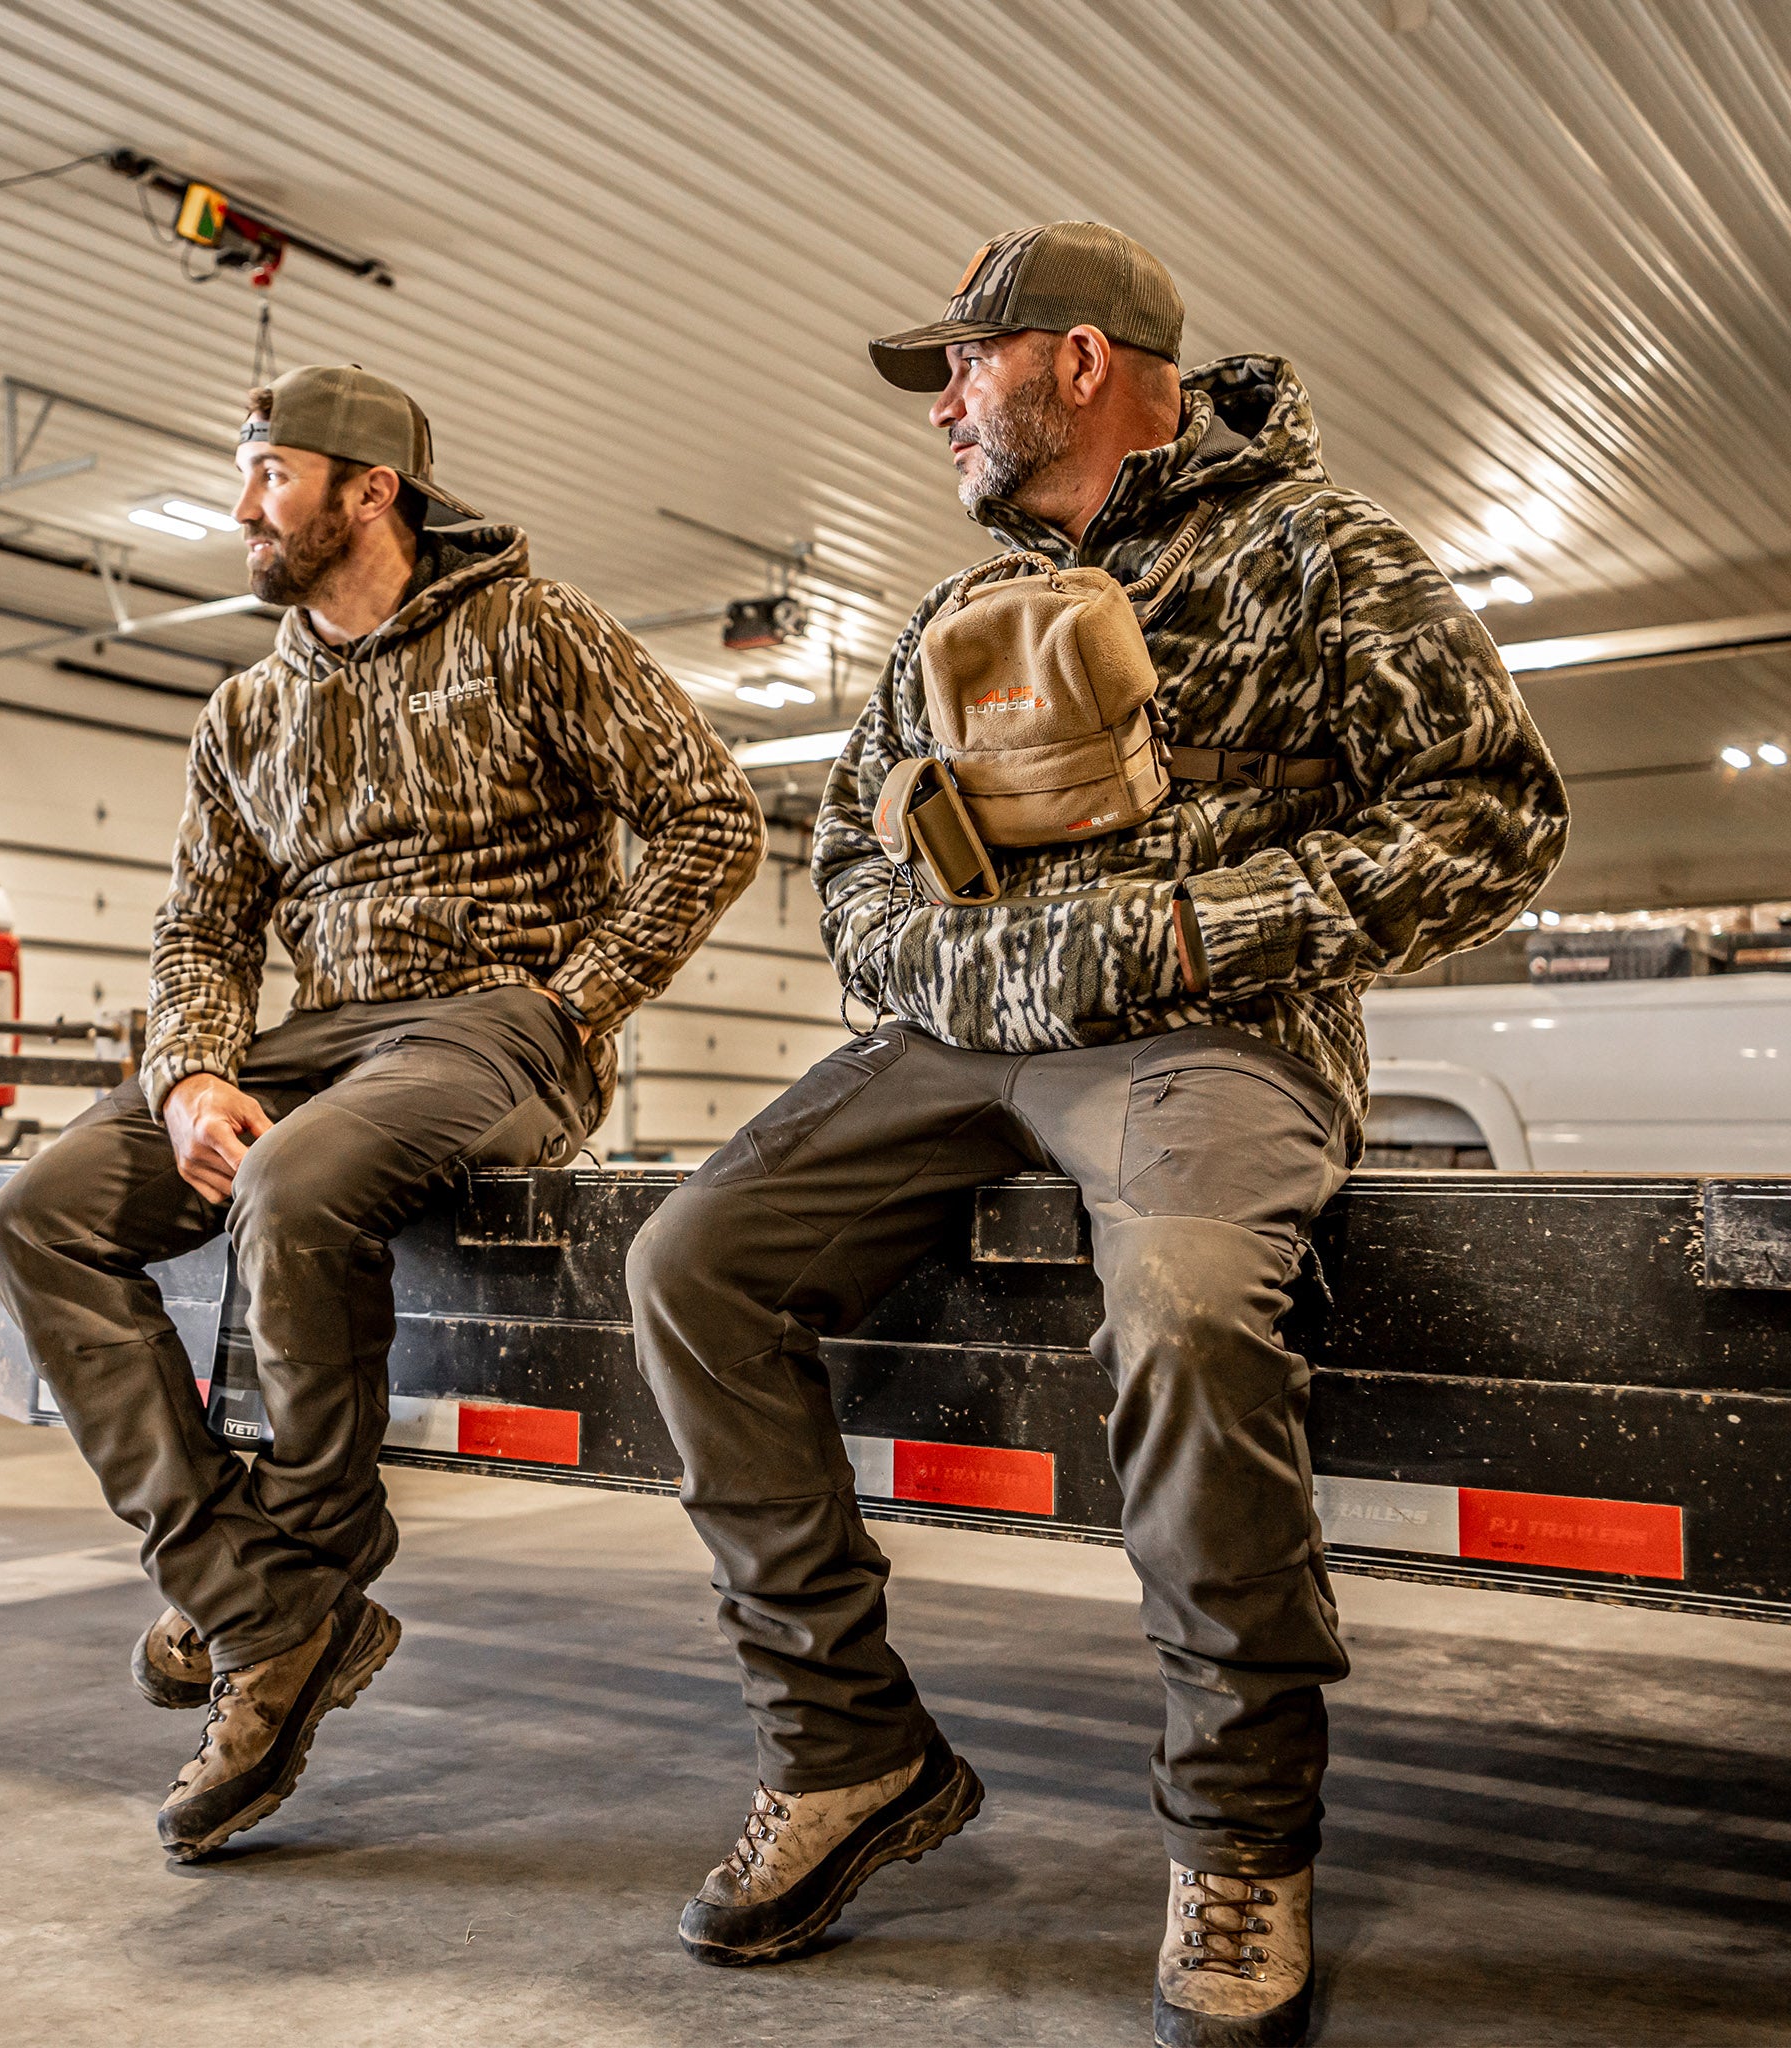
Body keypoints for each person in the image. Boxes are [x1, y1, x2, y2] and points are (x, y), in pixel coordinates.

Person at [626, 222, 1565, 2044]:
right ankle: (850, 1756)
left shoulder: (1319, 555)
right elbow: (846, 879)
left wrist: (1200, 930)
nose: (941, 415)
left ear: (1077, 362)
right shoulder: (940, 629)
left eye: (963, 370)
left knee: (1197, 1317)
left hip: (1217, 1031)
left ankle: (1238, 1837)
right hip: (973, 1034)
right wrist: (981, 967)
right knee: (689, 1261)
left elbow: (1494, 816)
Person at [0, 363, 764, 1864]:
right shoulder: (249, 708)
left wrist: (577, 1000)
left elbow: (712, 814)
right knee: (41, 1215)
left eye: (268, 474)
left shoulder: (537, 634)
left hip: (497, 1028)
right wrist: (195, 1071)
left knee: (298, 1186)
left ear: (369, 488)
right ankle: (256, 1599)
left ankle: (309, 1575)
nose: (241, 506)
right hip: (319, 1037)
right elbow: (199, 932)